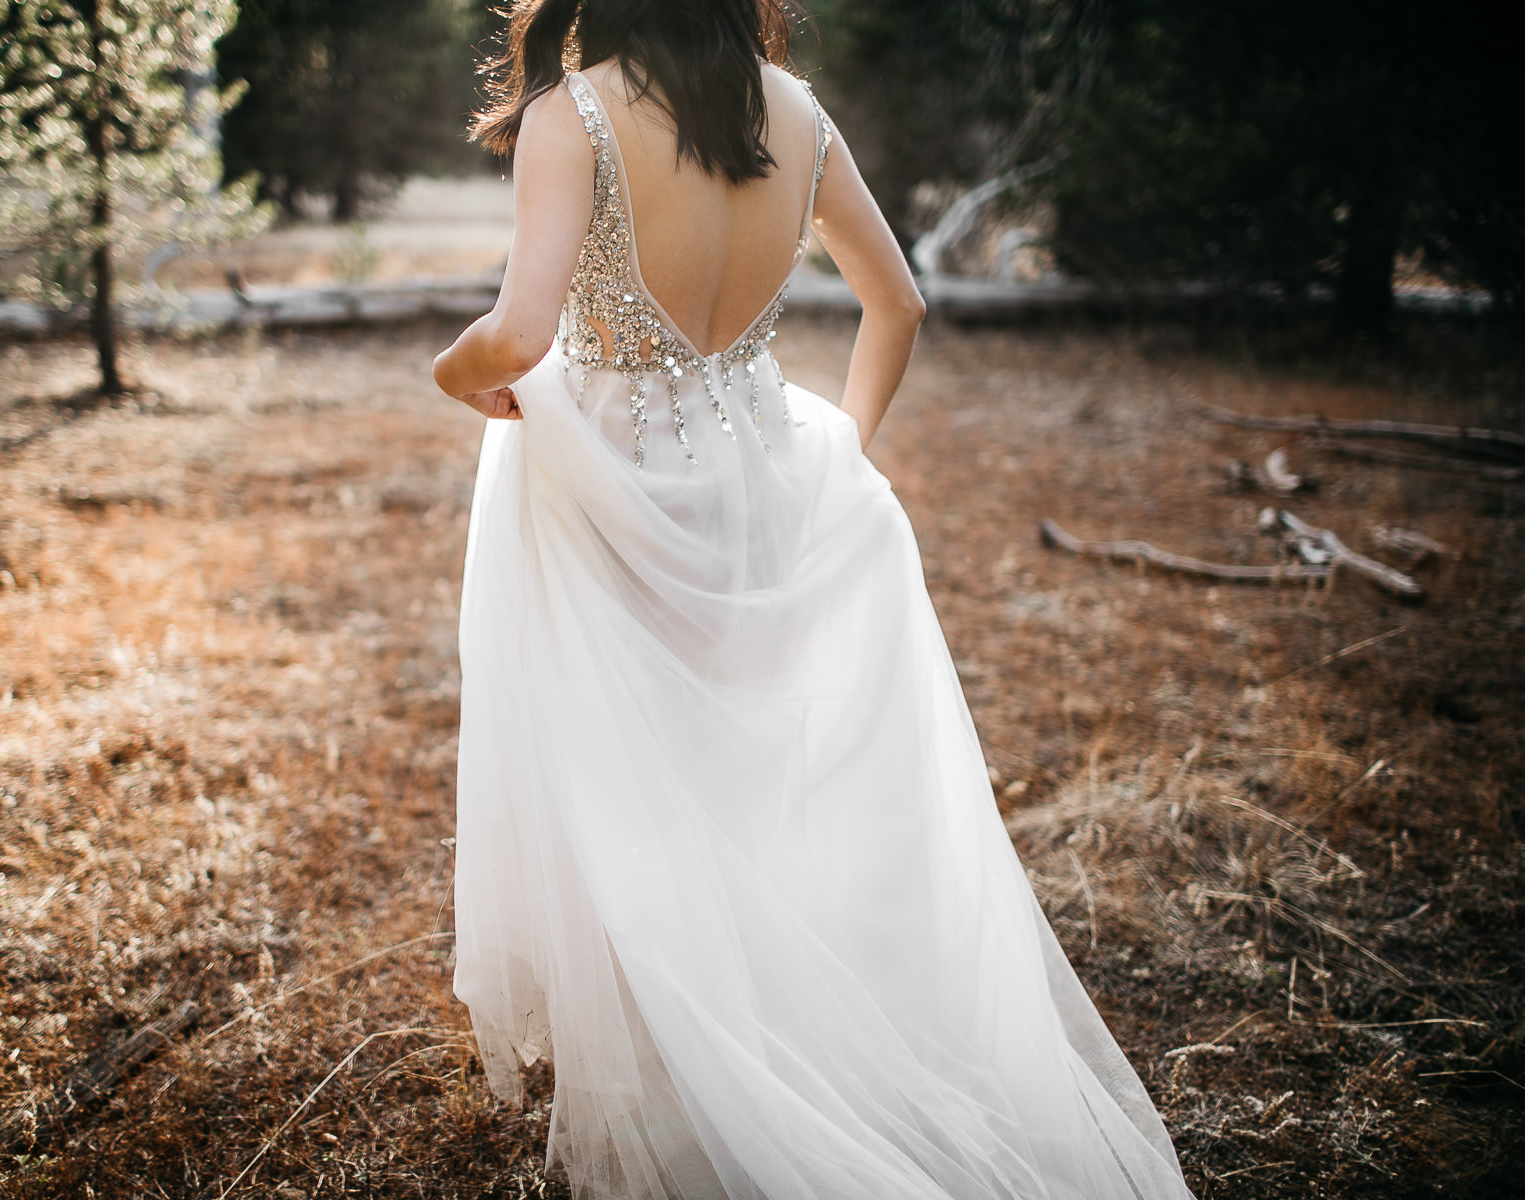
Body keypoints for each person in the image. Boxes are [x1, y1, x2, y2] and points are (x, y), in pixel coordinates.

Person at [433, 2, 1196, 1196]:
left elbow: (520, 332)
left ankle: (705, 1073)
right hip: (761, 476)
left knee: (637, 782)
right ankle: (773, 1032)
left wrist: (449, 370)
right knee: (750, 777)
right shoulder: (793, 112)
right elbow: (899, 304)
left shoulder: (571, 116)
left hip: (614, 488)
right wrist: (846, 454)